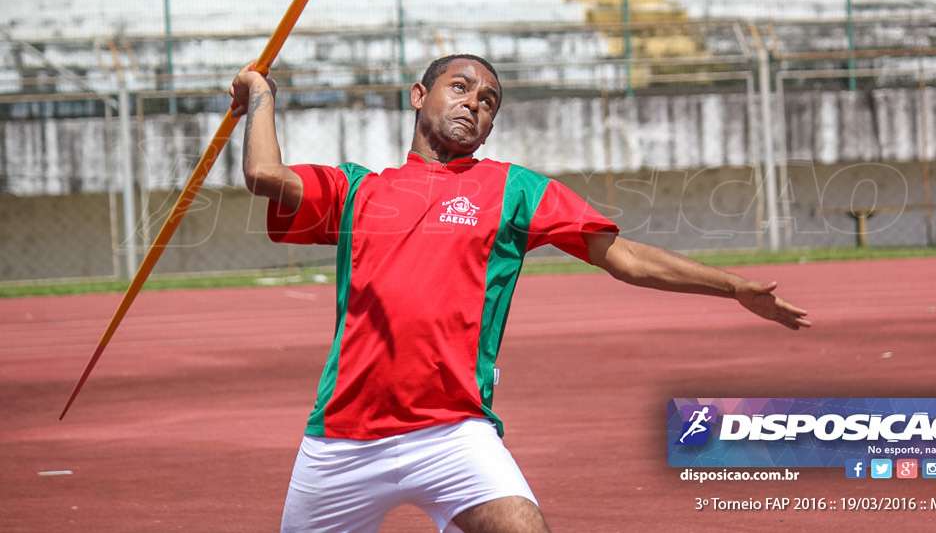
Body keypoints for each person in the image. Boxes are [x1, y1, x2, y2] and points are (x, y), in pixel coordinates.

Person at [230, 54, 810, 533]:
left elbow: (624, 257)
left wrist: (733, 286)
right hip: (341, 440)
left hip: (453, 430)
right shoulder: (356, 189)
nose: (474, 105)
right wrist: (260, 94)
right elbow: (263, 175)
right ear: (418, 95)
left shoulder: (513, 188)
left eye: (488, 102)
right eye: (460, 88)